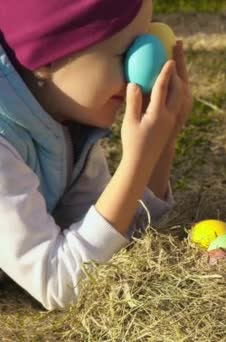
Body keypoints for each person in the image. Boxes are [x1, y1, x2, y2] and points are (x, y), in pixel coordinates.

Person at [0, 0, 192, 310]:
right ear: (47, 55)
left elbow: (118, 245)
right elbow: (60, 283)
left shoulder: (65, 125)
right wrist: (136, 161)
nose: (139, 75)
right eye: (123, 54)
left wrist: (161, 146)